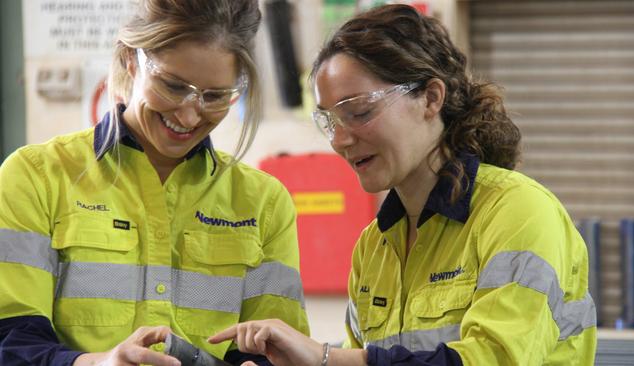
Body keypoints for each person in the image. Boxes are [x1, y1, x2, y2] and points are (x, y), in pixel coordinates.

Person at [208, 4, 597, 365]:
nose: (340, 140)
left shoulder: (519, 213)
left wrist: (327, 358)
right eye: (329, 121)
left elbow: (490, 359)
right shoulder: (373, 247)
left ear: (430, 98)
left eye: (358, 112)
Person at [0, 1, 309, 365]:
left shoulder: (263, 202)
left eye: (214, 96)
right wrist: (102, 363)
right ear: (132, 61)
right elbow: (12, 341)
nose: (190, 114)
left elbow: (277, 348)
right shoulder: (35, 176)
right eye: (173, 86)